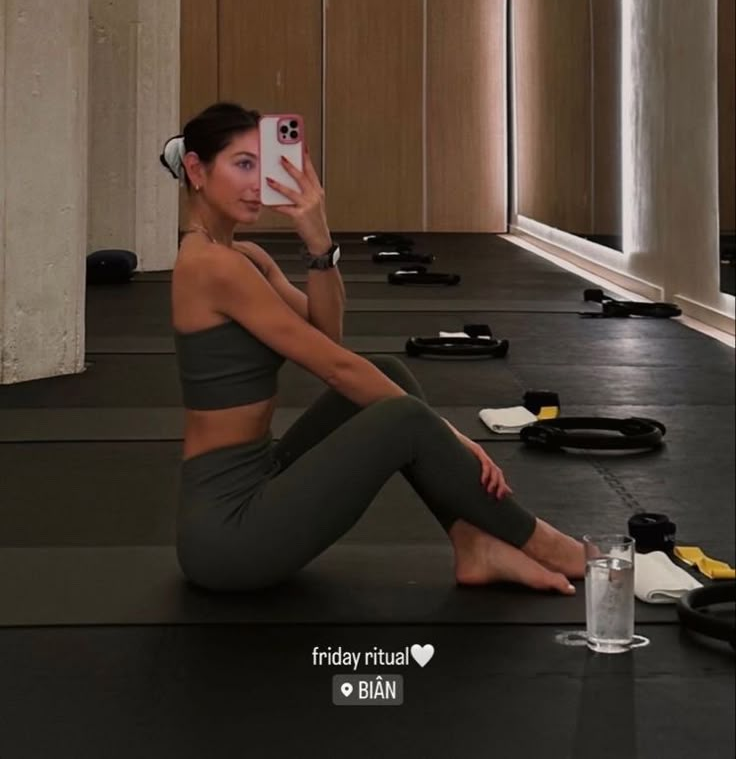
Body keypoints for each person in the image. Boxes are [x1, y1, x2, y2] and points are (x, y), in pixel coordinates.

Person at [160, 101, 585, 594]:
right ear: (196, 168)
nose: (259, 182)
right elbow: (334, 366)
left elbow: (327, 333)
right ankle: (542, 541)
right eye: (243, 164)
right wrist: (448, 437)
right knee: (403, 417)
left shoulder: (245, 257)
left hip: (261, 475)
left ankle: (474, 542)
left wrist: (317, 236)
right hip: (227, 535)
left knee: (389, 375)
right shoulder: (211, 266)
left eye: (264, 162)